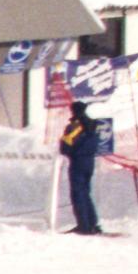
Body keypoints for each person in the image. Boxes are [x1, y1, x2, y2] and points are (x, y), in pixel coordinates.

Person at [59, 100, 103, 235]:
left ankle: (83, 225)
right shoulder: (93, 124)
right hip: (90, 162)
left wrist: (69, 150)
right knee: (86, 193)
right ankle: (92, 223)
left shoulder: (74, 126)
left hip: (77, 162)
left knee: (78, 194)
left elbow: (65, 147)